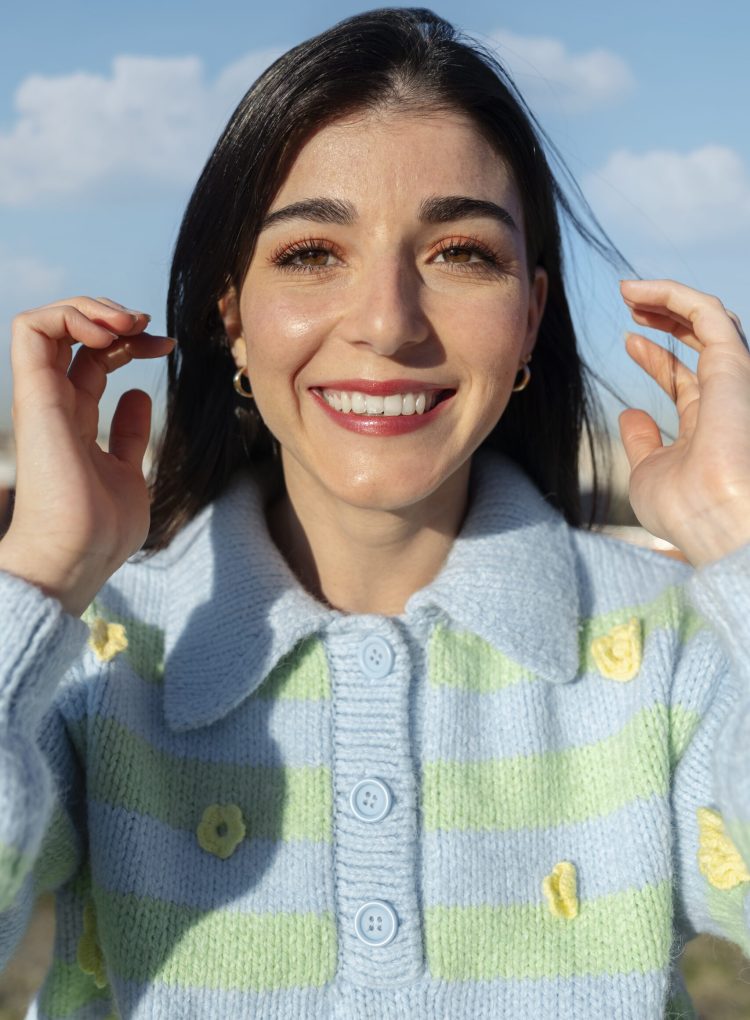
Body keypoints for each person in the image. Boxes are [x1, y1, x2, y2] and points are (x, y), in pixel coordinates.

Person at [0, 8, 748, 1019]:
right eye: (312, 252)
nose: (389, 323)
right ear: (230, 310)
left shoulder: (673, 647)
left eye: (460, 254)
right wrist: (40, 575)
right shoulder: (96, 653)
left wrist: (739, 537)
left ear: (529, 314)